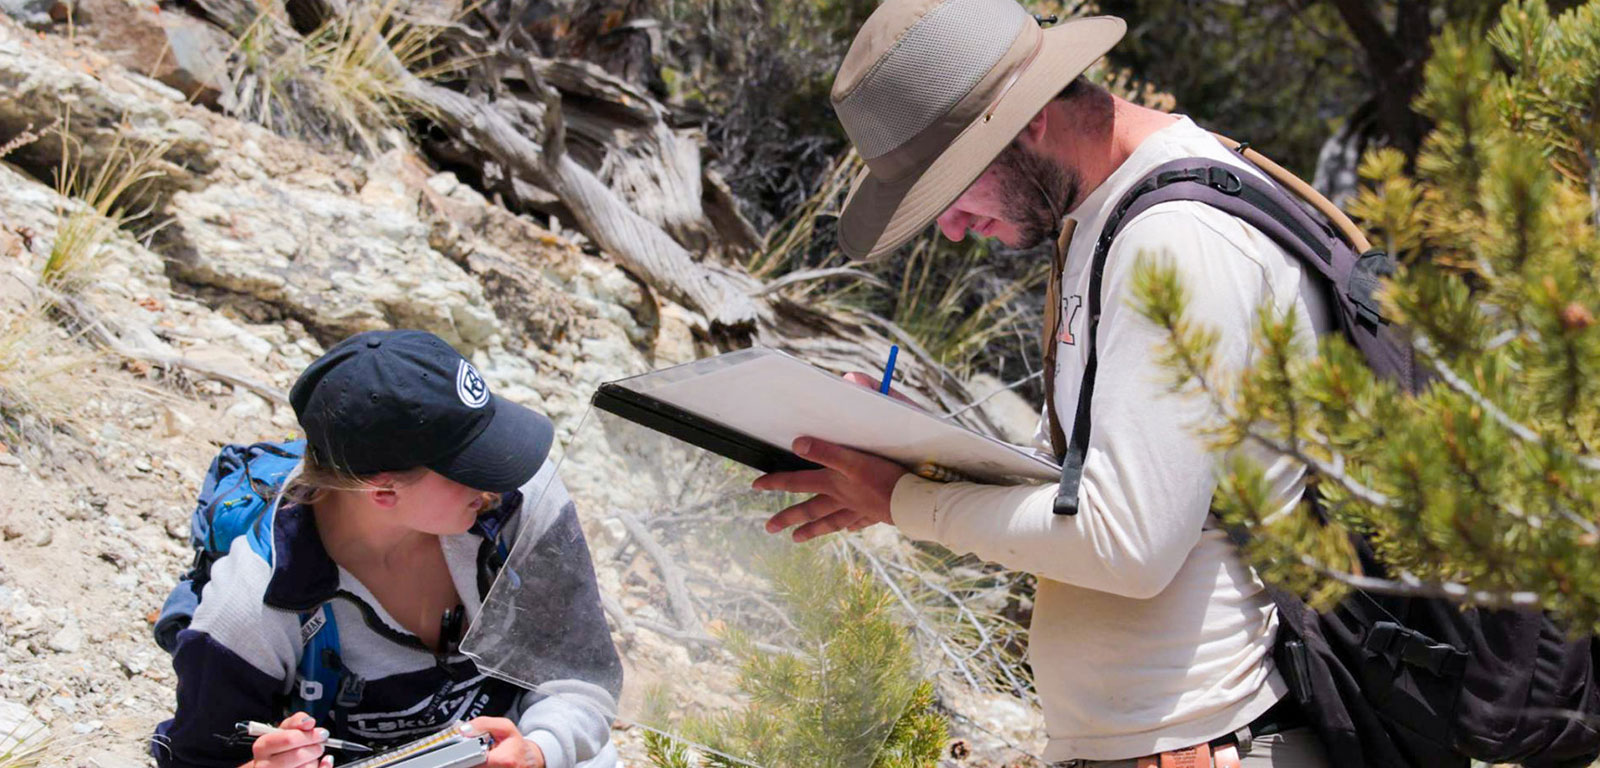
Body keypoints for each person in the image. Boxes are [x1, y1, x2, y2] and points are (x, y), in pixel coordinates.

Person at [753, 1, 1336, 766]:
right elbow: (1080, 487)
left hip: (1216, 744)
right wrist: (916, 448)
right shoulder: (1106, 217)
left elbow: (1125, 545)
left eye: (950, 187)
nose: (950, 228)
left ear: (1026, 119)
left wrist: (903, 501)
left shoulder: (1177, 238)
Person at [152, 330, 622, 768]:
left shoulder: (520, 500)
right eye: (472, 466)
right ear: (382, 491)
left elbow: (581, 676)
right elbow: (197, 759)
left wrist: (539, 750)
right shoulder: (253, 606)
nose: (498, 481)